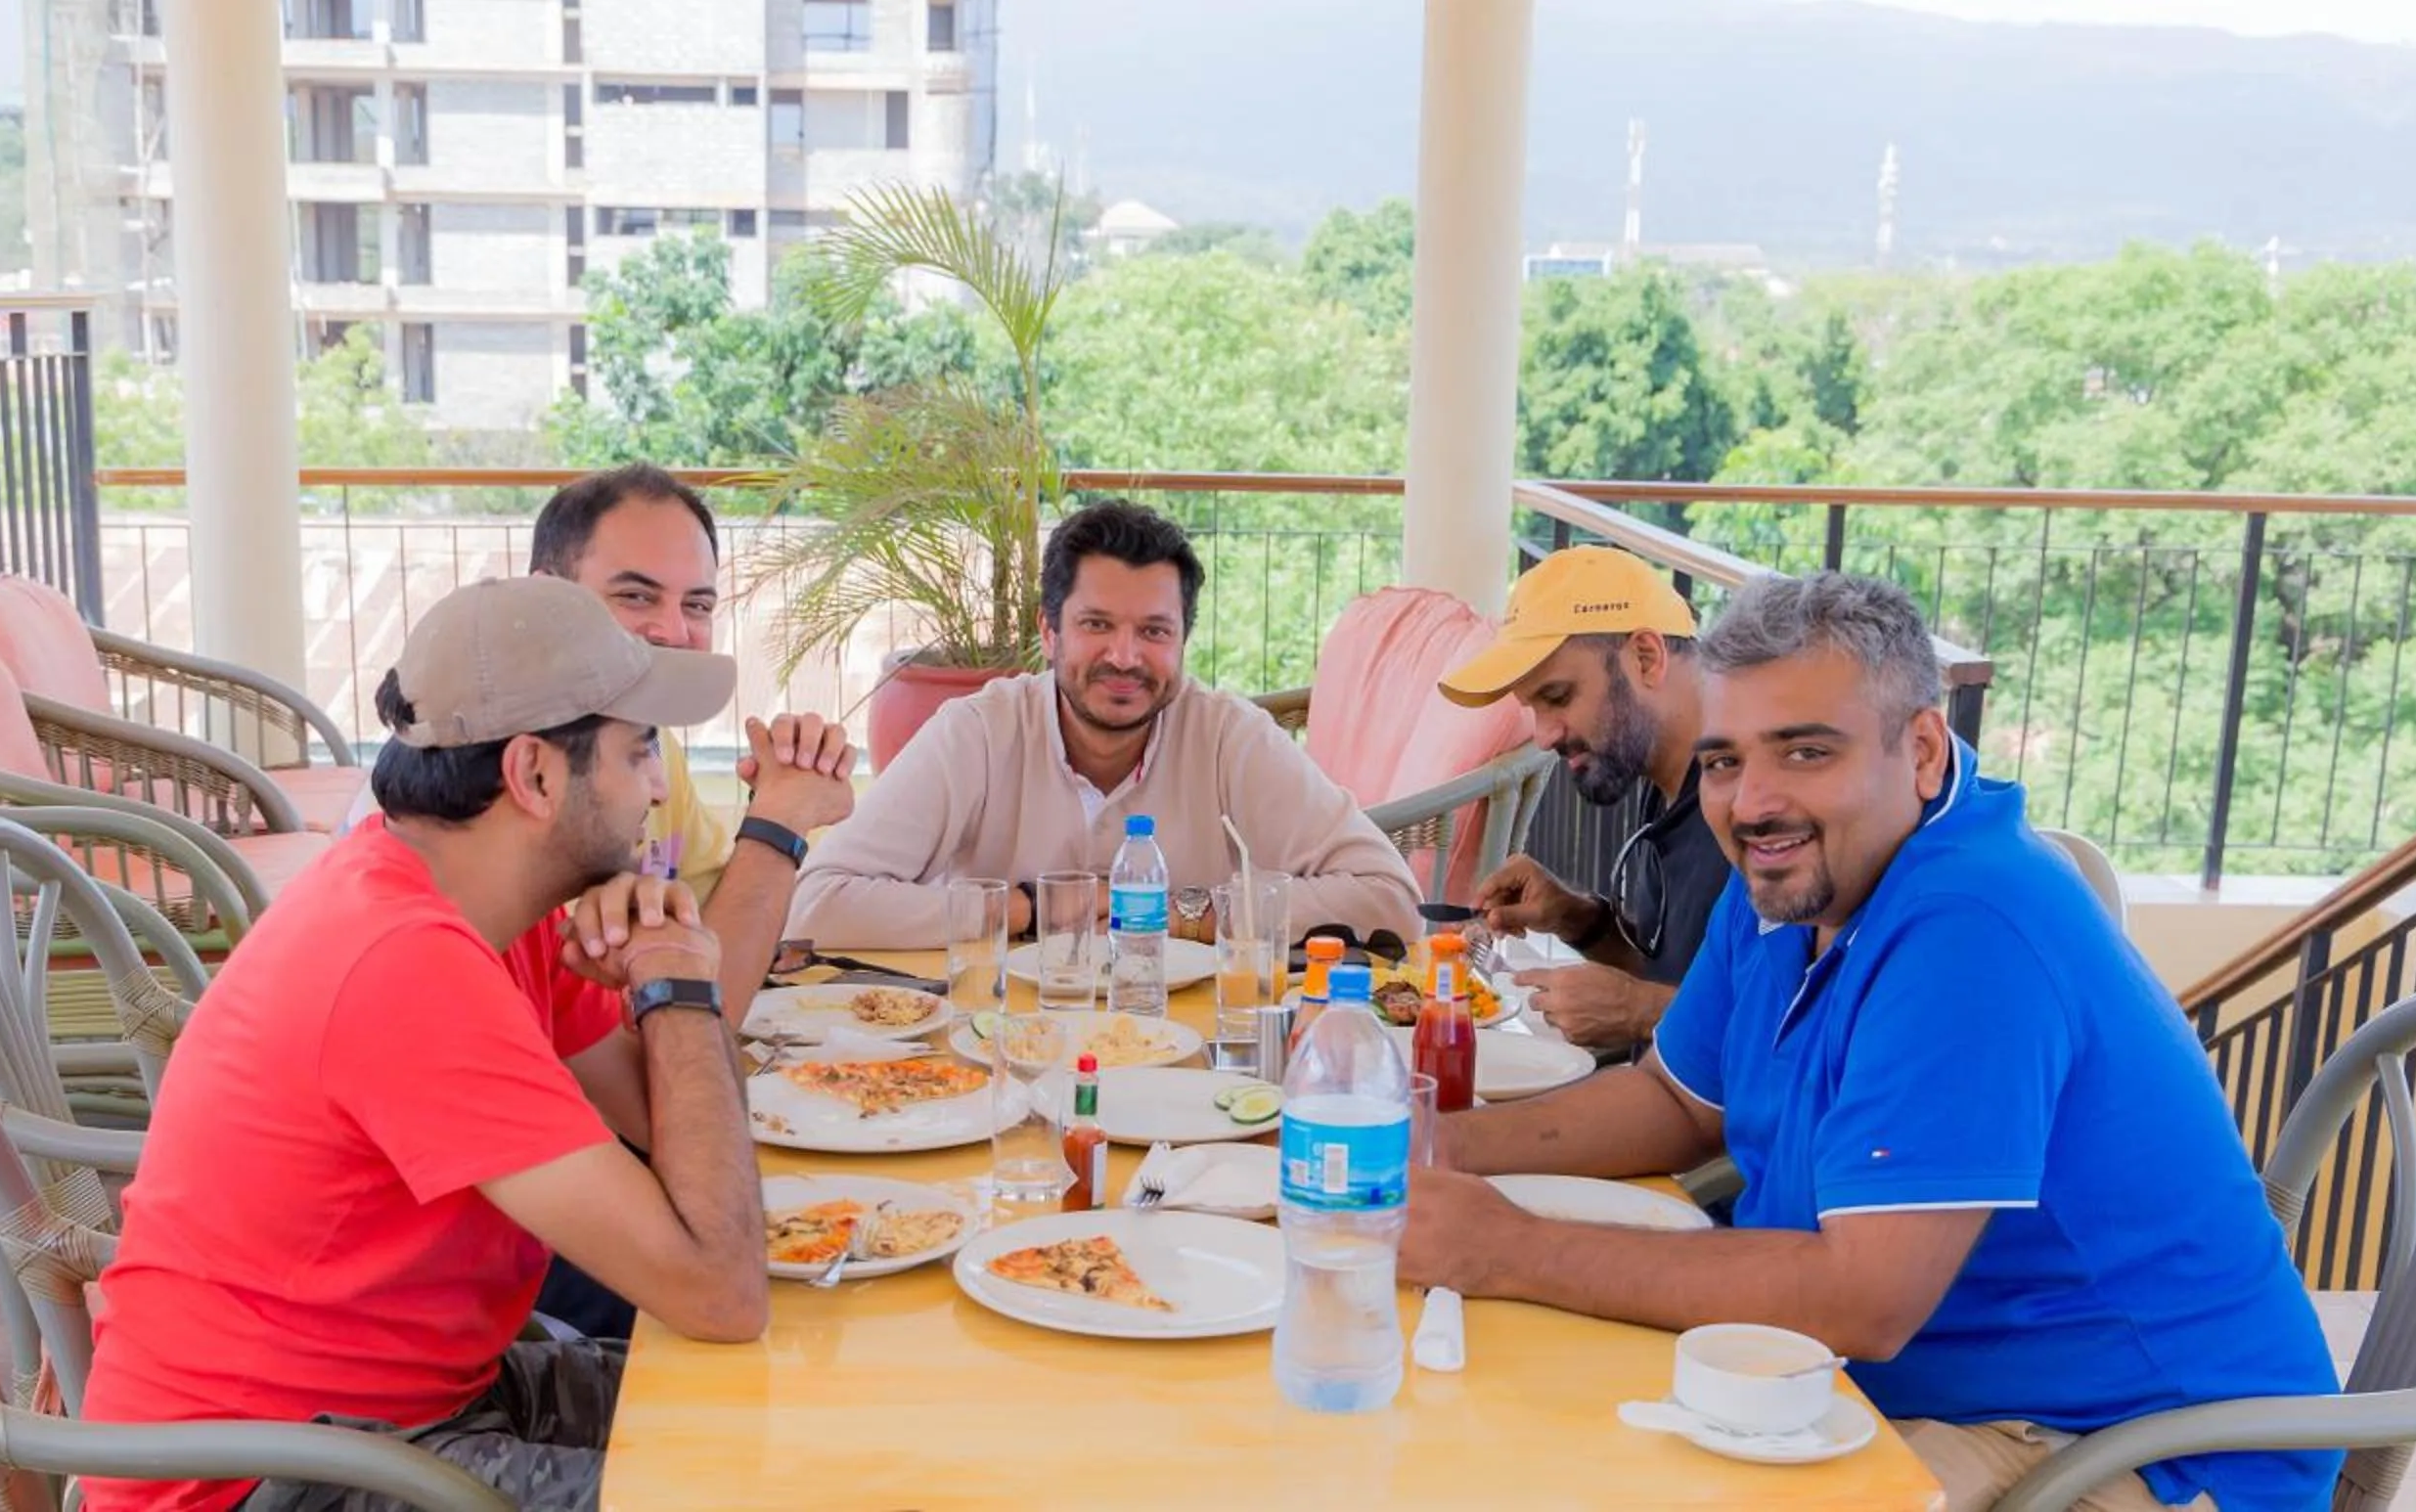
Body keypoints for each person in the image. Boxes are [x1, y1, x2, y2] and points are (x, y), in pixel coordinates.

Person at [1401, 572, 2338, 1512]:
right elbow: (1677, 1101)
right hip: (1925, 1389)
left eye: (1806, 751)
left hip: (2134, 1447)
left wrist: (1509, 1250)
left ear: (1923, 750)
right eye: (1724, 762)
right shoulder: (1791, 874)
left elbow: (1862, 1301)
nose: (1753, 802)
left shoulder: (1969, 922)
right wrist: (1421, 1146)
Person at [83, 577, 769, 1512]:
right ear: (533, 775)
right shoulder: (406, 963)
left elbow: (676, 1135)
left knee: (785, 1416)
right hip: (262, 1478)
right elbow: (718, 1287)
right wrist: (678, 982)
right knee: (759, 1484)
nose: (659, 785)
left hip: (404, 1408)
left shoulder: (482, 907)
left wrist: (663, 972)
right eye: (640, 751)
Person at [786, 498, 1421, 948]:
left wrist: (1179, 913)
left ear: (1182, 642)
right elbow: (815, 903)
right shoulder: (978, 731)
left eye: (1154, 631)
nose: (1125, 657)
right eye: (1097, 625)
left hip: (1186, 1054)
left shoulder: (1228, 734)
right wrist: (1030, 909)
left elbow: (1390, 897)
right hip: (989, 1046)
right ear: (1049, 632)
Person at [528, 463, 857, 1027]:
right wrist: (779, 823)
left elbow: (719, 944)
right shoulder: (507, 772)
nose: (674, 633)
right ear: (544, 598)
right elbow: (694, 1021)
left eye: (698, 605)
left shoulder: (652, 741)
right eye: (635, 595)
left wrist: (775, 802)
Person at [1437, 546, 1728, 1058]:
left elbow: (1799, 1029)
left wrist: (1641, 1011)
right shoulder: (1666, 784)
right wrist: (1576, 918)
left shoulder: (1755, 809)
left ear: (1646, 657)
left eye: (1558, 696)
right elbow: (1675, 979)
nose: (1545, 737)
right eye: (1533, 709)